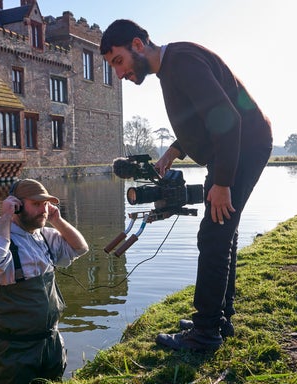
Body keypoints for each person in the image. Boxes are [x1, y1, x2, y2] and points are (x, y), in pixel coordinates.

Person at [100, 20, 273, 352]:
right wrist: (175, 150)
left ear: (137, 44)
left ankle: (205, 334)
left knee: (214, 234)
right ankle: (219, 318)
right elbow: (202, 117)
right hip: (235, 148)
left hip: (244, 146)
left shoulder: (182, 61)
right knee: (221, 232)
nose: (119, 73)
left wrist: (222, 183)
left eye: (118, 61)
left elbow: (228, 119)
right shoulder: (171, 67)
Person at [0, 179, 89, 384]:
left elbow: (79, 248)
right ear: (16, 205)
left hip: (50, 342)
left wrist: (56, 219)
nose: (43, 210)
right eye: (36, 204)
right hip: (14, 352)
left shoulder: (43, 235)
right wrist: (6, 217)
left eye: (46, 204)